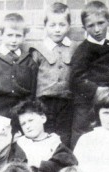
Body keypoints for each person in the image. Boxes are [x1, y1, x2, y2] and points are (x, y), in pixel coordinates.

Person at [70, 1, 109, 148]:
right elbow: (76, 79)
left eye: (101, 23)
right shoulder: (83, 50)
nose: (97, 29)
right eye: (91, 26)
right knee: (83, 135)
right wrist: (97, 90)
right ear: (84, 28)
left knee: (108, 136)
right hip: (87, 103)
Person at [12, 99, 77, 172]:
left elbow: (68, 164)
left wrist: (41, 165)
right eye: (23, 124)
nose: (27, 126)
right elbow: (17, 167)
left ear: (43, 118)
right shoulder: (22, 143)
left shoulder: (54, 142)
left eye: (31, 120)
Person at [30, 2, 78, 146]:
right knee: (46, 132)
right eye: (52, 25)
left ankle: (62, 162)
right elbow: (32, 78)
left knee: (64, 134)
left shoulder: (74, 48)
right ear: (45, 26)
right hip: (44, 101)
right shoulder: (39, 49)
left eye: (62, 25)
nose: (57, 30)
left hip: (66, 101)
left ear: (69, 26)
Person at [0, 13, 38, 118]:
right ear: (1, 35)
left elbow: (33, 89)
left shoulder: (28, 61)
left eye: (18, 36)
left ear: (24, 37)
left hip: (22, 108)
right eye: (9, 35)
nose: (13, 40)